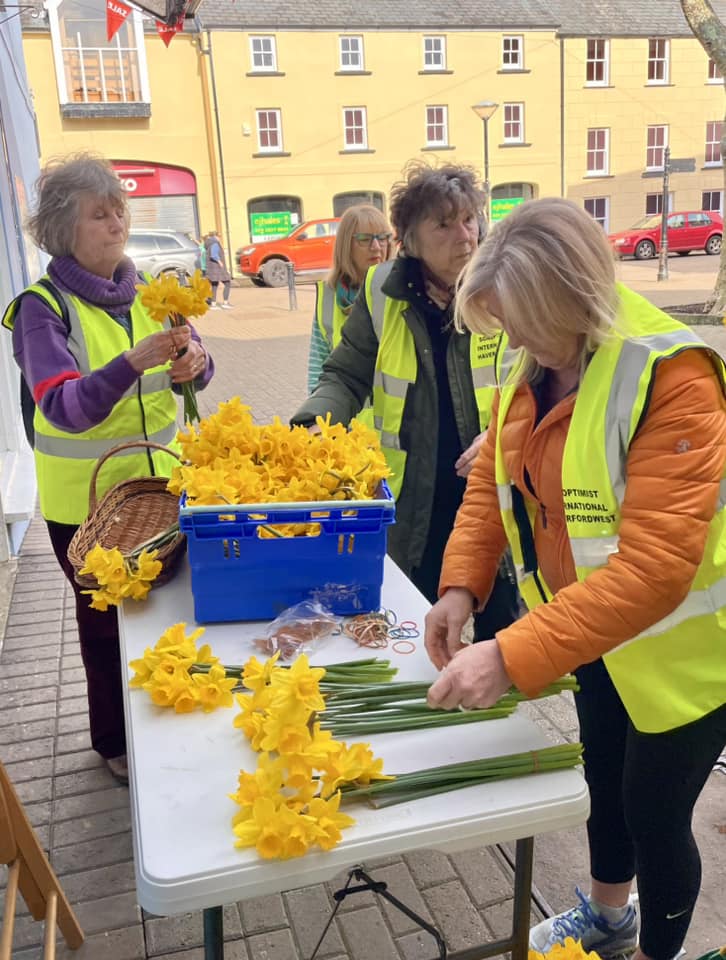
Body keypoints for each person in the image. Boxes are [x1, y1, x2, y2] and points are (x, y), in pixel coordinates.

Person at [424, 197, 726, 960]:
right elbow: (494, 482)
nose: (514, 343)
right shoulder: (538, 359)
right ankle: (608, 916)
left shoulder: (674, 376)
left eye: (524, 326)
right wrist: (461, 585)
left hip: (687, 658)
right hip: (593, 634)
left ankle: (657, 950)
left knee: (654, 813)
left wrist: (510, 653)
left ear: (572, 300)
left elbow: (656, 569)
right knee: (606, 788)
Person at [1, 153, 215, 785]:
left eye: (119, 209)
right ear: (63, 230)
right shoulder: (41, 308)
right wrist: (132, 363)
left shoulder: (151, 292)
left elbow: (200, 366)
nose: (117, 222)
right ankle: (114, 741)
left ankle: (170, 719)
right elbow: (63, 407)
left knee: (167, 613)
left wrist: (195, 364)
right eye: (99, 214)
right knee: (104, 628)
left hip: (163, 491)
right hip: (88, 507)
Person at [291, 161, 519, 634]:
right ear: (410, 239)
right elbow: (346, 374)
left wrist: (502, 435)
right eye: (444, 224)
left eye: (469, 220)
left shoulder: (504, 286)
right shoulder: (382, 291)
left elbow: (540, 379)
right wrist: (315, 420)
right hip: (416, 503)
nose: (465, 236)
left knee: (500, 627)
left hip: (493, 492)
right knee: (419, 627)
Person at [307, 204, 393, 393]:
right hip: (347, 410)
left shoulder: (402, 291)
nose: (376, 247)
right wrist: (317, 408)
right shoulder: (328, 296)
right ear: (346, 245)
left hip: (395, 412)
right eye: (365, 239)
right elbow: (317, 370)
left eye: (382, 238)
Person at [204, 230, 232, 309]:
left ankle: (213, 304)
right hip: (217, 268)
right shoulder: (215, 243)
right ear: (216, 236)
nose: (220, 238)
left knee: (214, 285)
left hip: (211, 268)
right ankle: (225, 303)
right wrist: (220, 262)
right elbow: (214, 255)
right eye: (219, 236)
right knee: (227, 283)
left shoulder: (208, 243)